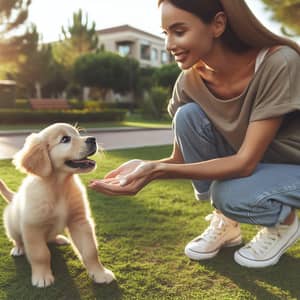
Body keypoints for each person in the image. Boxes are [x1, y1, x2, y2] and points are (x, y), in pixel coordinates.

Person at [89, 0, 300, 268]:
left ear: (218, 24)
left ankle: (284, 223)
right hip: (259, 163)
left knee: (229, 194)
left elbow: (245, 162)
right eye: (166, 34)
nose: (168, 45)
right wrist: (145, 167)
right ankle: (227, 222)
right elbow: (182, 159)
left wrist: (157, 171)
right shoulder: (189, 81)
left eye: (179, 31)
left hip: (293, 167)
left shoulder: (278, 62)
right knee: (187, 116)